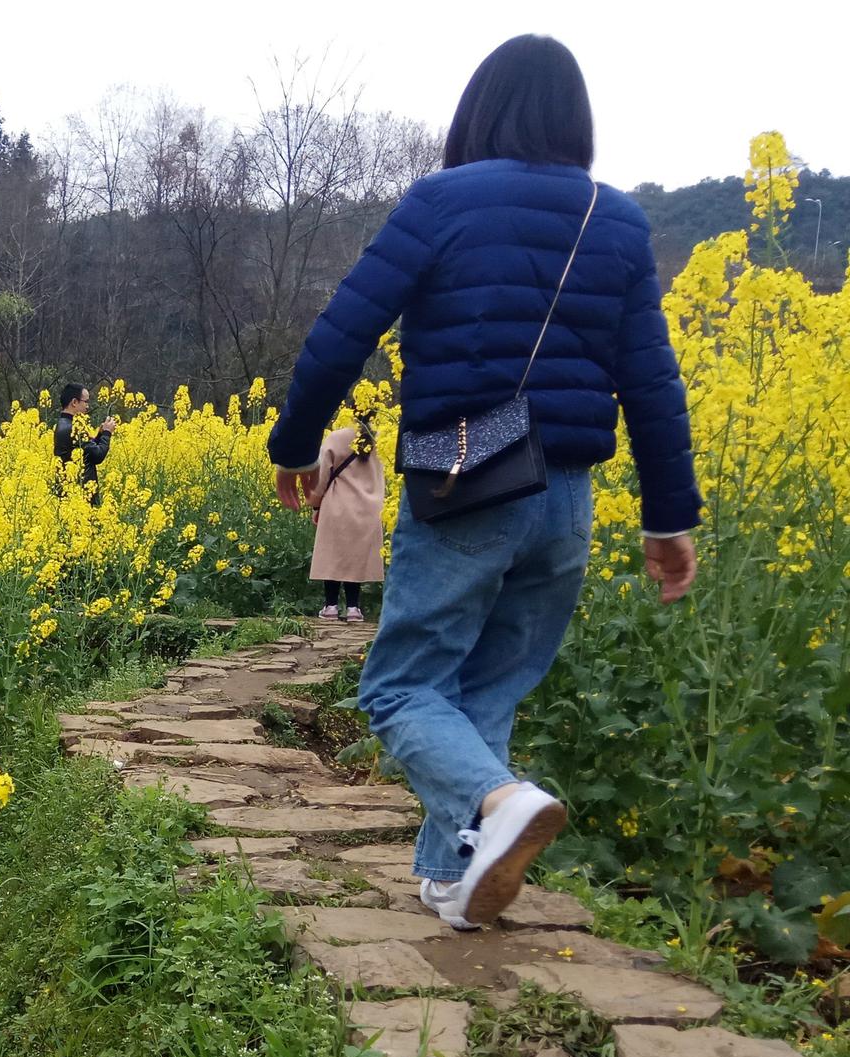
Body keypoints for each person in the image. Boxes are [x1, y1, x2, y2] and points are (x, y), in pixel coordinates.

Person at [267, 34, 700, 932]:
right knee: (488, 690)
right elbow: (653, 383)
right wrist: (668, 518)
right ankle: (453, 877)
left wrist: (296, 442)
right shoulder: (616, 221)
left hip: (467, 484)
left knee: (400, 688)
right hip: (566, 498)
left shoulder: (441, 202)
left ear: (480, 111)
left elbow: (344, 330)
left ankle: (500, 805)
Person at [308, 417, 385, 622]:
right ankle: (353, 608)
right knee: (356, 556)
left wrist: (315, 504)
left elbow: (321, 476)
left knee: (333, 554)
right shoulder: (381, 438)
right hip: (369, 507)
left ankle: (331, 606)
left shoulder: (336, 437)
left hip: (337, 504)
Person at [52, 383, 114, 502]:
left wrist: (100, 434)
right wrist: (107, 433)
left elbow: (86, 451)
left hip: (68, 491)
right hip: (80, 495)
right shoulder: (75, 428)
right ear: (74, 402)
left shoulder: (62, 424)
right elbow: (97, 455)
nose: (87, 406)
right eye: (85, 402)